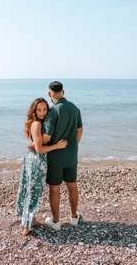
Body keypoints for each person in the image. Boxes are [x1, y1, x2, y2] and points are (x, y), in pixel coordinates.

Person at [31, 81, 83, 231]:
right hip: (72, 155)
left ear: (49, 94)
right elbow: (79, 129)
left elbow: (46, 138)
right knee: (72, 185)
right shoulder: (74, 108)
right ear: (63, 92)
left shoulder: (52, 112)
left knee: (54, 189)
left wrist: (32, 144)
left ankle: (56, 221)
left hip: (55, 157)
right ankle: (74, 217)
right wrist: (74, 146)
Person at [15, 97, 68, 236]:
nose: (43, 112)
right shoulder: (37, 124)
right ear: (34, 110)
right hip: (37, 161)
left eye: (45, 109)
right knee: (33, 194)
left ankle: (29, 220)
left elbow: (34, 145)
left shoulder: (36, 123)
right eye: (39, 110)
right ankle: (27, 224)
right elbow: (39, 149)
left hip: (32, 160)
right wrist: (57, 146)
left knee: (30, 191)